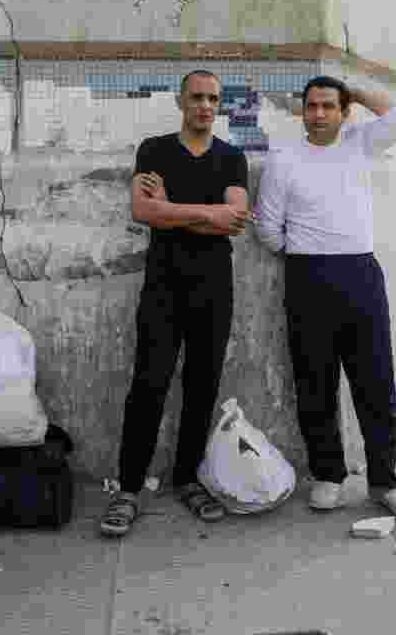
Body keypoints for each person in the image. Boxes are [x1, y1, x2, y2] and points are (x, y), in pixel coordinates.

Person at [253, 75, 396, 523]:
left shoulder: (360, 142)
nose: (318, 114)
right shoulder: (285, 157)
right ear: (303, 111)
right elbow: (268, 227)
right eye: (311, 106)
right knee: (315, 381)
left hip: (360, 274)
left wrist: (351, 86)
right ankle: (327, 474)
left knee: (375, 381)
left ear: (343, 110)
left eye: (329, 105)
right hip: (307, 274)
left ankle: (386, 482)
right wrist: (307, 252)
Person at [100, 70, 250, 537]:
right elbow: (144, 212)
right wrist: (209, 213)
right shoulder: (155, 150)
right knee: (149, 382)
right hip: (163, 284)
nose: (205, 106)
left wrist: (175, 211)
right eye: (197, 98)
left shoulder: (232, 157)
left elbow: (236, 221)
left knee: (202, 384)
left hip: (214, 286)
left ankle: (187, 478)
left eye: (213, 99)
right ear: (181, 101)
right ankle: (128, 487)